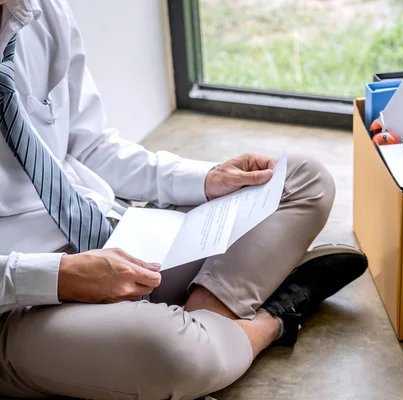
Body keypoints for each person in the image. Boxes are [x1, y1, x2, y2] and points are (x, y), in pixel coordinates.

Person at [0, 1, 368, 399]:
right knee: (169, 351)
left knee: (302, 179)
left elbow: (88, 145)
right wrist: (62, 275)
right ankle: (270, 320)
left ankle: (203, 343)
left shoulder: (39, 10)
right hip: (18, 307)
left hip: (113, 236)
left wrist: (206, 179)